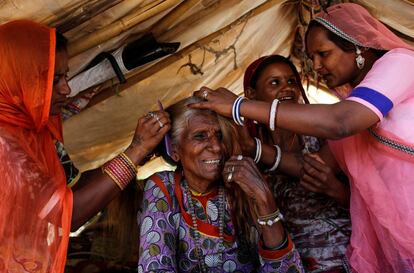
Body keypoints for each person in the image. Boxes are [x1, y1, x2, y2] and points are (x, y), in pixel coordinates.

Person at [190, 3, 414, 273]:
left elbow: (340, 122)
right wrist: (255, 149)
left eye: (323, 54)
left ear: (358, 46)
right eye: (312, 57)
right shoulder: (353, 103)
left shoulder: (401, 63)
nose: (316, 66)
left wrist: (239, 106)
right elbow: (313, 167)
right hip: (398, 231)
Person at [0, 20, 170, 273]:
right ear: (20, 78)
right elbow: (69, 213)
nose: (65, 89)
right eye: (53, 79)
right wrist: (134, 152)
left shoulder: (35, 131)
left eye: (65, 76)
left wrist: (139, 154)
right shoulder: (5, 147)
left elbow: (72, 186)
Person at [137, 96, 304, 273]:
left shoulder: (243, 184)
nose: (216, 147)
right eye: (200, 136)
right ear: (175, 149)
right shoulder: (164, 187)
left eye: (219, 136)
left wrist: (264, 200)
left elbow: (288, 270)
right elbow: (154, 268)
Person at [240, 55, 351, 272]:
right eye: (275, 83)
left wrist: (335, 189)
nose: (287, 88)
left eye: (292, 81)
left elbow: (368, 201)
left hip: (349, 257)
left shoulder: (324, 136)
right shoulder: (246, 152)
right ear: (251, 95)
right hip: (290, 264)